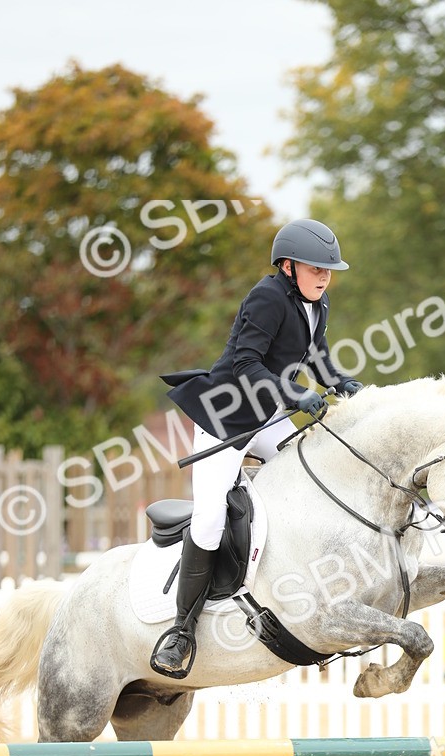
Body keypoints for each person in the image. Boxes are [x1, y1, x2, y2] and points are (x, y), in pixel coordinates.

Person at [150, 218, 363, 678]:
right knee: (209, 521)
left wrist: (340, 381)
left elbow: (317, 355)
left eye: (328, 270)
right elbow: (247, 363)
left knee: (306, 478)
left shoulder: (317, 302)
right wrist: (295, 394)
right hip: (225, 418)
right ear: (288, 266)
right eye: (316, 268)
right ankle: (181, 631)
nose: (325, 277)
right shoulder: (267, 298)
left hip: (266, 417)